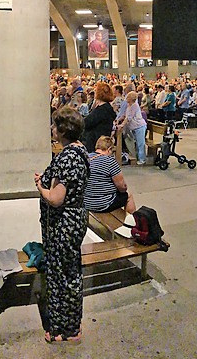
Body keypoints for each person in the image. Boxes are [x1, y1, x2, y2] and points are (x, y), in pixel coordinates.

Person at [35, 106, 89, 343]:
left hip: (63, 224)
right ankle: (73, 326)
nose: (52, 129)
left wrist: (40, 187)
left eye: (55, 125)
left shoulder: (66, 157)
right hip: (76, 219)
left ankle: (60, 330)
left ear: (63, 130)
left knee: (60, 277)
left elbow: (56, 199)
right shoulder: (80, 150)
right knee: (71, 274)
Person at [84, 136, 138, 214]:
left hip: (86, 202)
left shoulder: (86, 158)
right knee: (128, 196)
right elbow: (122, 187)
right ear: (109, 149)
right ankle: (131, 222)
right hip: (103, 204)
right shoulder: (110, 161)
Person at [114, 92, 148, 166]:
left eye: (128, 97)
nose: (126, 98)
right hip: (134, 128)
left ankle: (142, 159)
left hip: (139, 127)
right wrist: (118, 120)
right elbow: (125, 115)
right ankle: (137, 157)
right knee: (136, 143)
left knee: (140, 143)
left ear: (131, 98)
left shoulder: (134, 105)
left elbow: (129, 118)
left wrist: (122, 125)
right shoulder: (129, 106)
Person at [80, 83, 116, 148]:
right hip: (101, 139)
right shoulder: (107, 108)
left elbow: (86, 123)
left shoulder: (101, 110)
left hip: (95, 142)